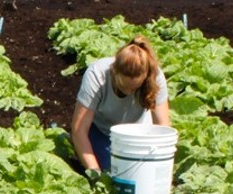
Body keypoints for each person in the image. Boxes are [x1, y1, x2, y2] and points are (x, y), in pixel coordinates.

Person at [70, 36, 170, 181]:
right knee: (112, 173)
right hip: (102, 130)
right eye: (124, 88)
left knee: (138, 176)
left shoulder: (155, 76)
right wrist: (96, 175)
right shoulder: (97, 75)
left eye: (135, 88)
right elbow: (79, 129)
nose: (129, 92)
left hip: (138, 135)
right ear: (115, 71)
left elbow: (163, 129)